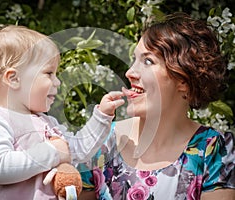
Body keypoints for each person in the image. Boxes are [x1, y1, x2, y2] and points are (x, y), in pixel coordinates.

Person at [78, 12, 235, 200]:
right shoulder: (99, 143)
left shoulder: (214, 151)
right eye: (134, 60)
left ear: (183, 80)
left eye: (148, 61)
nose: (130, 72)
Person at [0, 24, 125, 199]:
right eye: (48, 73)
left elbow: (78, 149)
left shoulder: (48, 123)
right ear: (13, 79)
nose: (58, 82)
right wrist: (52, 151)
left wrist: (102, 116)